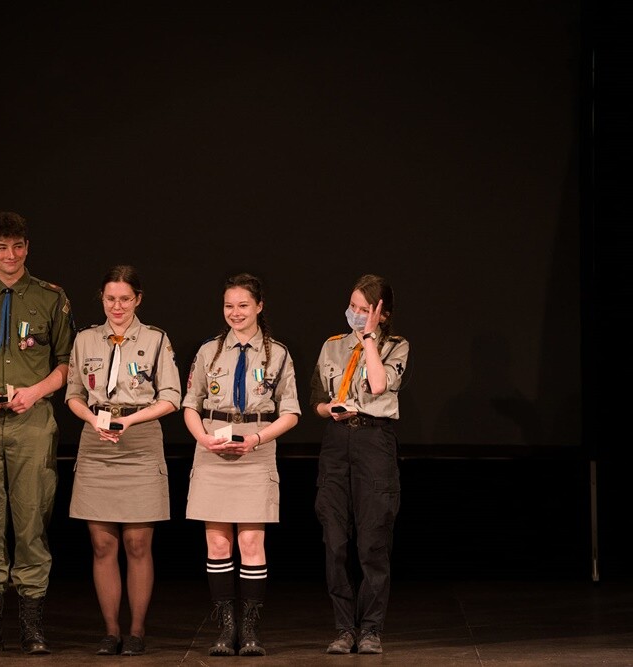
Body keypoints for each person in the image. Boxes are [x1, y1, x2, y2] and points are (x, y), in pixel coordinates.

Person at [0, 211, 76, 655]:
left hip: (32, 421)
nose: (11, 255)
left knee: (31, 522)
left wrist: (35, 391)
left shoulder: (50, 297)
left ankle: (32, 627)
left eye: (18, 246)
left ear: (27, 248)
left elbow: (67, 362)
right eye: (1, 247)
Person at [64, 265, 181, 657]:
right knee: (102, 545)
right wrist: (93, 419)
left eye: (125, 299)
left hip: (139, 440)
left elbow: (171, 397)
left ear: (138, 299)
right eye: (111, 298)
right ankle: (111, 631)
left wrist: (129, 420)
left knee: (137, 542)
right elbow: (73, 394)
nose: (117, 306)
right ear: (101, 298)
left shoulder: (156, 339)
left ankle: (136, 631)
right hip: (97, 442)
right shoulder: (85, 339)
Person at [182, 273, 300, 657]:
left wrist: (257, 439)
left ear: (259, 307)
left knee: (250, 542)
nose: (235, 313)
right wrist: (202, 438)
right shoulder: (209, 351)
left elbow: (291, 413)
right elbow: (190, 404)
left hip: (256, 447)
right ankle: (225, 628)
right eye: (229, 306)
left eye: (243, 305)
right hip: (212, 447)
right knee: (218, 543)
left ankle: (249, 630)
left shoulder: (277, 353)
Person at [309, 273, 410, 655]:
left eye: (364, 309)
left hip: (374, 441)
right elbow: (316, 400)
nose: (354, 313)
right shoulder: (332, 345)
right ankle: (343, 628)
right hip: (337, 442)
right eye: (352, 306)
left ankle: (370, 629)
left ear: (382, 313)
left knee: (372, 541)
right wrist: (329, 408)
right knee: (335, 541)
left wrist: (369, 338)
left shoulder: (395, 346)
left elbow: (379, 385)